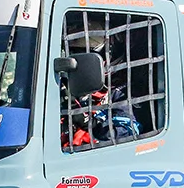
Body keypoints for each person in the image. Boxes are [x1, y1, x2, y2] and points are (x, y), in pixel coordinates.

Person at [60, 16, 140, 148]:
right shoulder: (61, 86)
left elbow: (130, 132)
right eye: (74, 54)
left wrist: (90, 123)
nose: (78, 63)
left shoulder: (119, 92)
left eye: (85, 56)